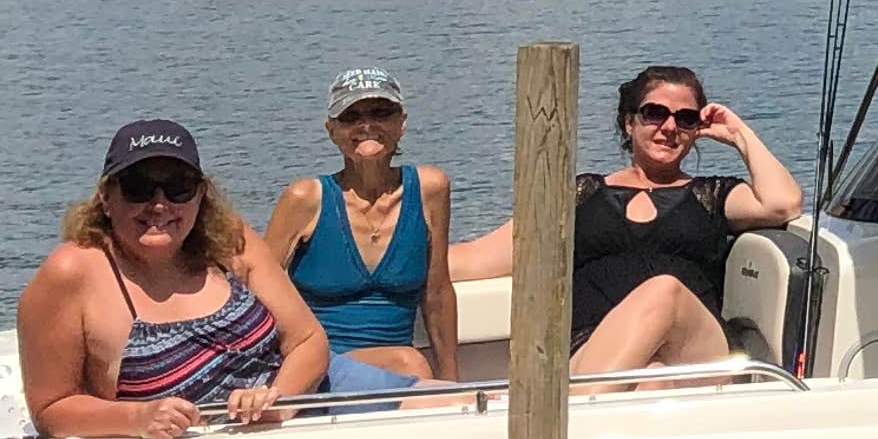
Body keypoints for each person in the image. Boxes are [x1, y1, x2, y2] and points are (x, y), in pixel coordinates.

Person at [441, 66, 806, 372]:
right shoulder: (581, 195)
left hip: (694, 350)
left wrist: (740, 134)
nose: (669, 127)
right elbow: (480, 256)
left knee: (665, 293)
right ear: (629, 122)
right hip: (593, 345)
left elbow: (782, 203)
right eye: (654, 113)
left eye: (685, 118)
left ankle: (575, 410)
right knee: (651, 379)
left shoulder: (713, 195)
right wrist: (407, 257)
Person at [17, 120, 337, 439]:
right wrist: (136, 418)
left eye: (179, 187)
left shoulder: (229, 240)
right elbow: (50, 408)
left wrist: (278, 402)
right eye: (138, 188)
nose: (159, 205)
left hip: (291, 428)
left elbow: (308, 340)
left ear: (200, 194)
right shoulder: (71, 272)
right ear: (106, 196)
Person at [266, 66, 462, 381]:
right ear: (332, 130)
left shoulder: (430, 190)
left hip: (393, 370)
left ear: (401, 123)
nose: (367, 125)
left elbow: (437, 294)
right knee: (409, 363)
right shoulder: (304, 199)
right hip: (320, 368)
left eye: (381, 113)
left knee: (411, 368)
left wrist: (453, 386)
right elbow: (258, 293)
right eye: (351, 116)